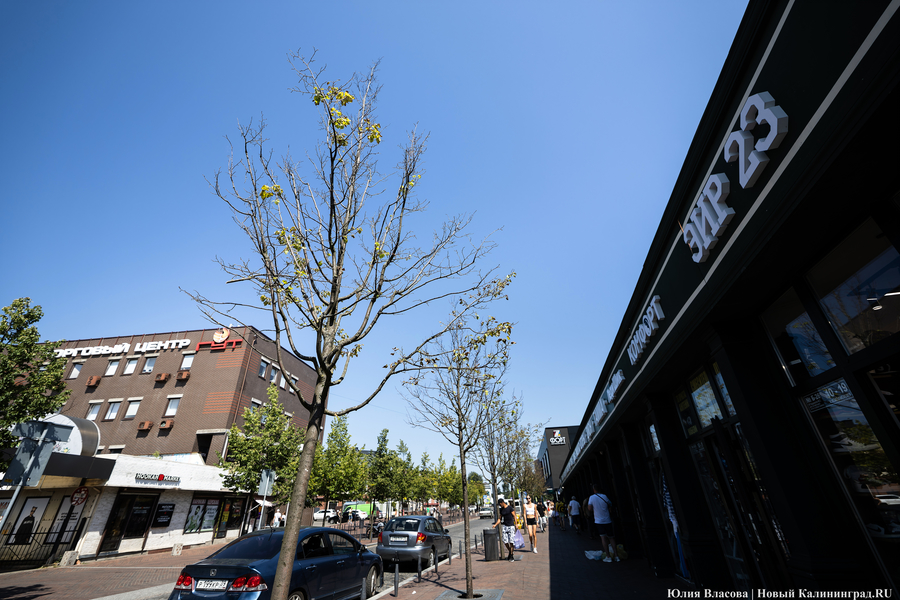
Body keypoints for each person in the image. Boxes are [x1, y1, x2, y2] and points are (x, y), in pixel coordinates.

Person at [588, 483, 619, 562]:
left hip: (599, 521)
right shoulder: (604, 496)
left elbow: (590, 508)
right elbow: (610, 504)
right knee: (611, 538)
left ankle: (608, 556)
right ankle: (616, 556)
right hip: (607, 520)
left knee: (603, 538)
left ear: (594, 490)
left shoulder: (591, 497)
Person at [492, 498, 517, 562]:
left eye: (500, 504)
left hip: (511, 526)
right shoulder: (501, 510)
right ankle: (510, 551)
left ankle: (511, 555)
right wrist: (495, 524)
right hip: (505, 526)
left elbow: (514, 515)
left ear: (502, 502)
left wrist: (516, 524)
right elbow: (500, 518)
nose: (500, 506)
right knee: (505, 541)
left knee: (511, 541)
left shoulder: (510, 508)